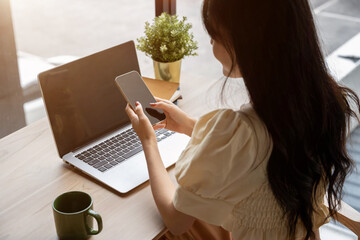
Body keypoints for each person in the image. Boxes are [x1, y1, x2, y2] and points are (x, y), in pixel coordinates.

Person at [125, 0, 360, 239]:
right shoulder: (325, 104)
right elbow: (264, 148)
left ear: (246, 43)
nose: (211, 43)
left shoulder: (239, 131)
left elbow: (176, 221)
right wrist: (187, 125)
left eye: (215, 35)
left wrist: (149, 141)